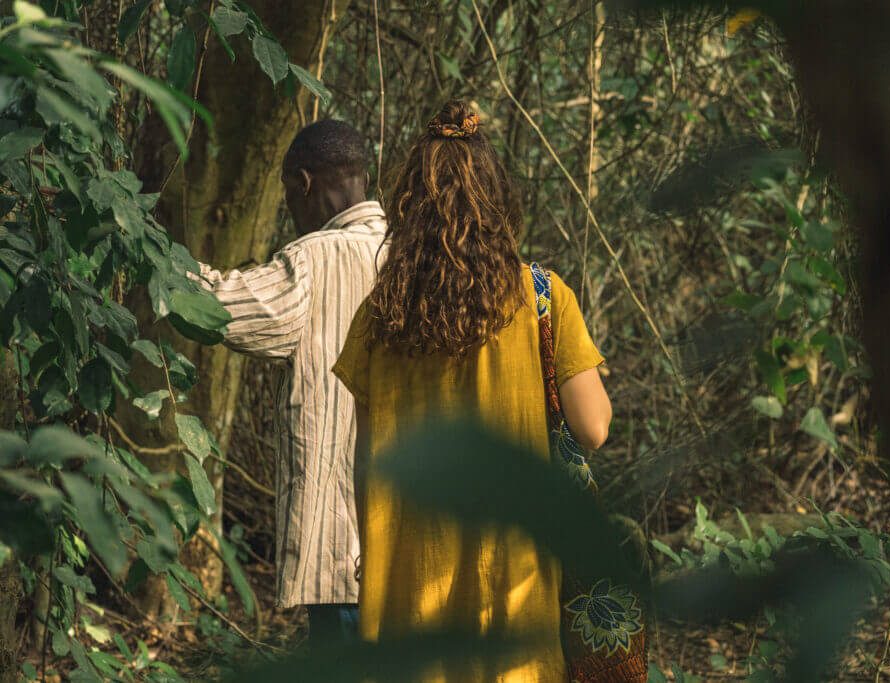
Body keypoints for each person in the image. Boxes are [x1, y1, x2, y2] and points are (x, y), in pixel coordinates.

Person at [333, 101, 612, 681]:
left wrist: (370, 557)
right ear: (496, 200)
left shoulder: (380, 316)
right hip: (513, 576)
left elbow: (365, 462)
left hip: (408, 578)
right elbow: (593, 429)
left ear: (410, 206)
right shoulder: (543, 297)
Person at [192, 119, 385, 645]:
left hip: (344, 547)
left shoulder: (314, 261)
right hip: (418, 543)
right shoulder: (418, 255)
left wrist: (148, 252)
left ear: (304, 183)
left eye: (286, 194)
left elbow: (219, 306)